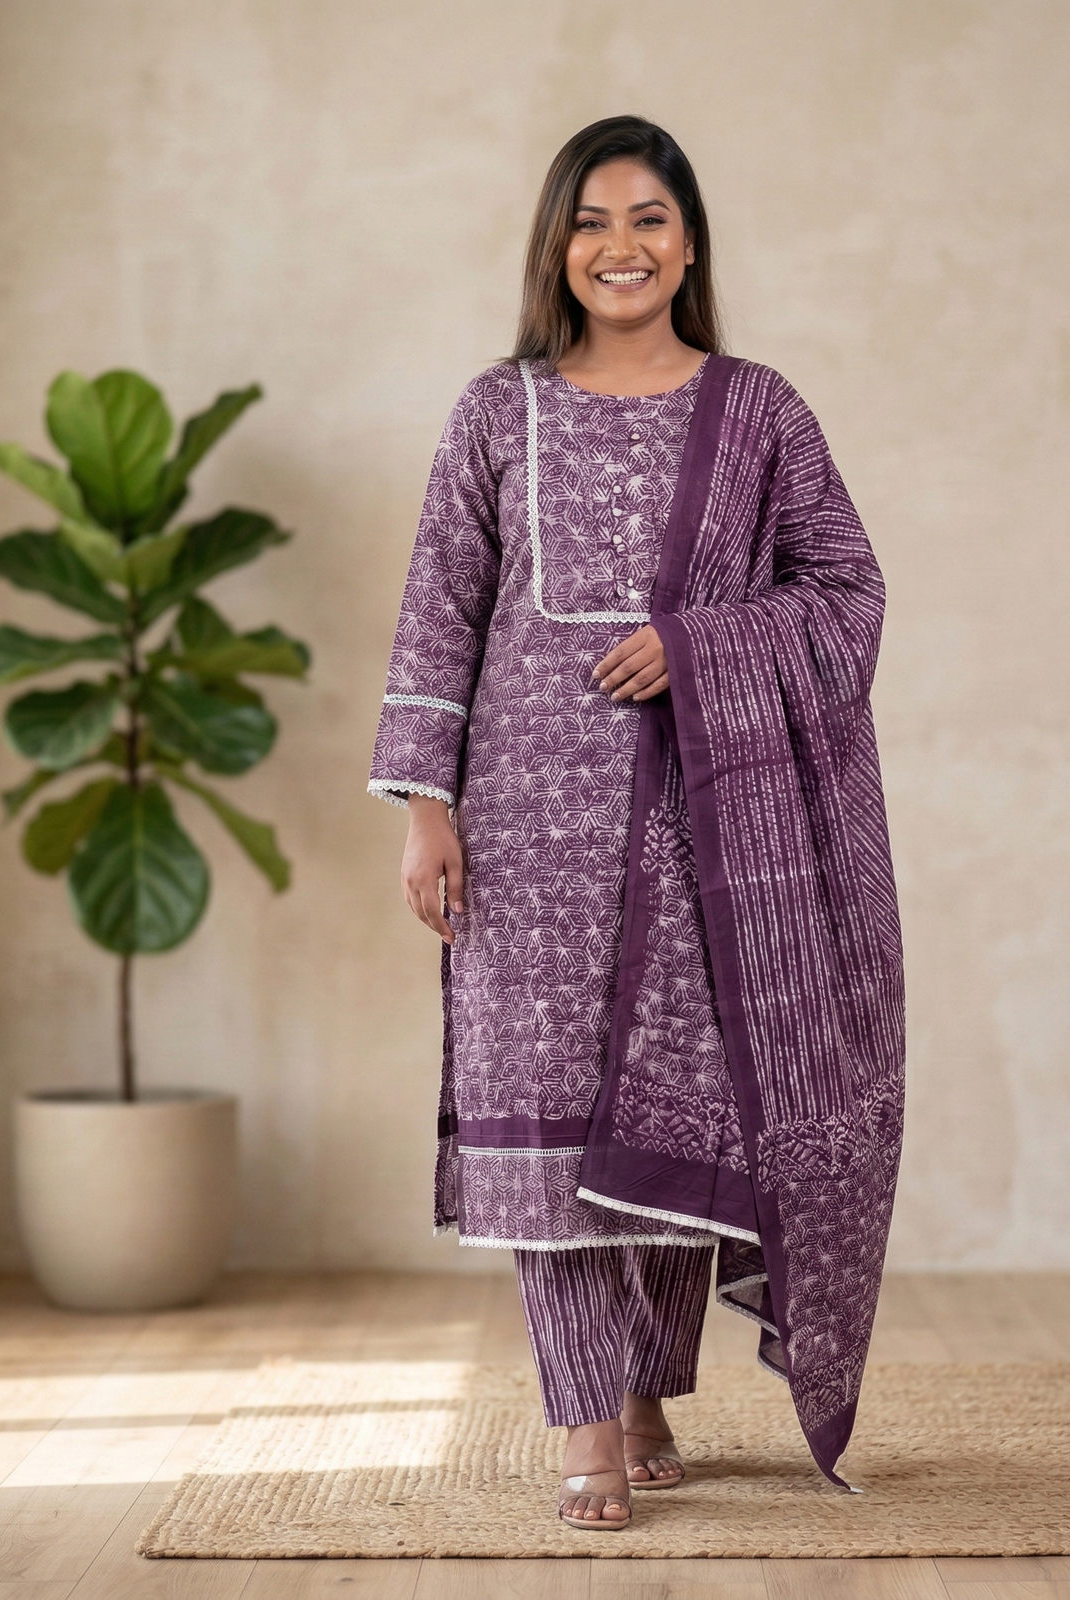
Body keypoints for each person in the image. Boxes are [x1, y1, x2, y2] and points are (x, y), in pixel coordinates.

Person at [369, 115, 904, 1531]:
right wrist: (426, 807)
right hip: (523, 836)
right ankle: (588, 1428)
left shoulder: (759, 412)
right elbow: (438, 608)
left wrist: (699, 644)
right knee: (549, 1130)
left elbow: (847, 593)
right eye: (593, 220)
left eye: (651, 218)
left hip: (701, 833)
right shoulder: (497, 412)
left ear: (691, 242)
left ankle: (647, 1383)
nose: (622, 246)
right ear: (556, 245)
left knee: (673, 1116)